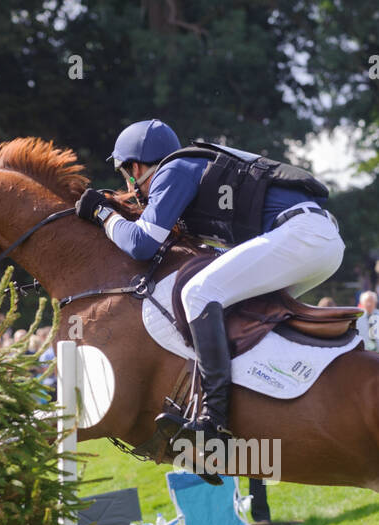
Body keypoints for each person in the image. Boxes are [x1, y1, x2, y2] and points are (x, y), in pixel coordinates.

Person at [78, 118, 343, 469]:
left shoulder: (173, 170)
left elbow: (141, 245)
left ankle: (213, 419)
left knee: (198, 293)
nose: (130, 184)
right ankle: (267, 403)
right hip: (317, 241)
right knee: (238, 314)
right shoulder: (188, 169)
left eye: (126, 175)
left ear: (136, 167)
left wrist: (102, 213)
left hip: (302, 236)